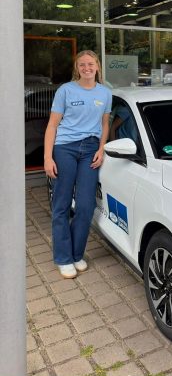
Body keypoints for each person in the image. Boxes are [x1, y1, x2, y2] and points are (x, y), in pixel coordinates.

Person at [44, 50, 112, 279]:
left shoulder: (105, 93)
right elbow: (53, 125)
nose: (86, 68)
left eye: (90, 64)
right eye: (82, 64)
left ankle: (76, 254)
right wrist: (47, 157)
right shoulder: (65, 90)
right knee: (62, 204)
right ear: (77, 68)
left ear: (97, 66)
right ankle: (63, 258)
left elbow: (105, 124)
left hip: (90, 150)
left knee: (85, 205)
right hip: (65, 148)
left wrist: (101, 148)